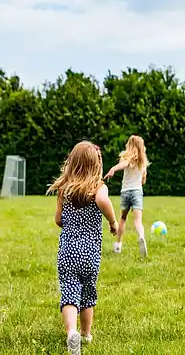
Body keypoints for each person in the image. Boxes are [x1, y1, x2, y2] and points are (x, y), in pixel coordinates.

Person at [48, 141, 118, 354]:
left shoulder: (64, 189)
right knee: (88, 295)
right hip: (89, 255)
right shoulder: (98, 188)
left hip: (67, 252)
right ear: (96, 164)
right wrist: (113, 222)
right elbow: (103, 200)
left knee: (69, 293)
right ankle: (86, 335)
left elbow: (58, 220)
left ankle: (71, 333)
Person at [104, 135, 150, 258]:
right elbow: (143, 181)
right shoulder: (142, 163)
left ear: (130, 146)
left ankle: (118, 245)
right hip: (137, 192)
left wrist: (113, 169)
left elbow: (123, 164)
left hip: (125, 192)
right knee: (138, 220)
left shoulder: (129, 159)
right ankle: (141, 236)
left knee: (123, 219)